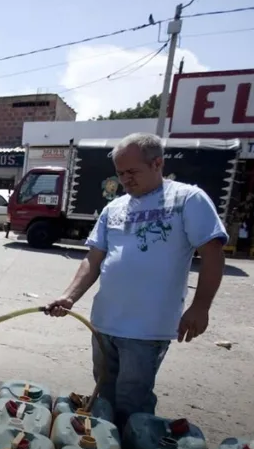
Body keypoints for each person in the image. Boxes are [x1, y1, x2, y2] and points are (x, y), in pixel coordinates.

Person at [44, 132, 227, 429]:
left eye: (132, 171)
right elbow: (94, 258)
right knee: (103, 396)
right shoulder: (113, 208)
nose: (125, 179)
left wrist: (200, 306)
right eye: (120, 173)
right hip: (104, 323)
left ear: (157, 163)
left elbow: (213, 254)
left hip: (147, 329)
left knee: (133, 402)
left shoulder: (187, 199)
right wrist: (69, 296)